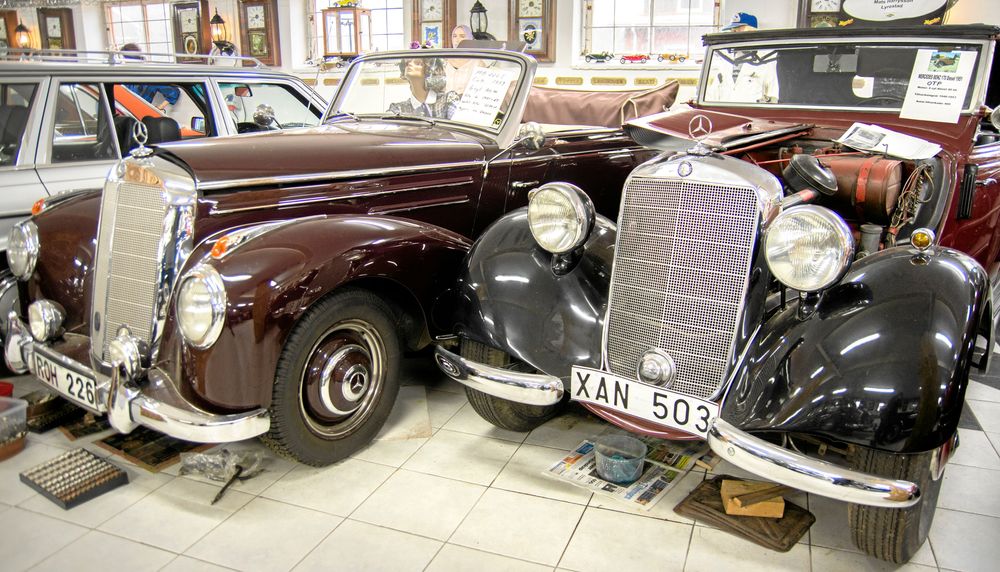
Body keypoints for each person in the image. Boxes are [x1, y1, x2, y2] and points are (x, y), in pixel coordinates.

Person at [703, 13, 779, 103]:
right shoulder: (725, 59)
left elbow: (773, 96)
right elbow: (712, 94)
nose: (733, 35)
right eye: (732, 31)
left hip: (749, 115)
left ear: (752, 32)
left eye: (737, 31)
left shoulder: (767, 59)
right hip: (724, 113)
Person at [388, 57, 459, 119]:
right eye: (407, 63)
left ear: (430, 71)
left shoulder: (448, 100)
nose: (410, 64)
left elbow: (458, 129)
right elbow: (385, 128)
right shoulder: (398, 108)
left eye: (418, 63)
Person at [120, 43, 181, 112]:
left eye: (125, 59)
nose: (125, 62)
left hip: (140, 113)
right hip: (123, 111)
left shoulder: (149, 75)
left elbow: (174, 92)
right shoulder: (126, 75)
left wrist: (159, 108)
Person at [445, 25, 481, 95]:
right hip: (444, 103)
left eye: (462, 36)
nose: (457, 39)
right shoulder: (444, 61)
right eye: (455, 36)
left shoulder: (477, 63)